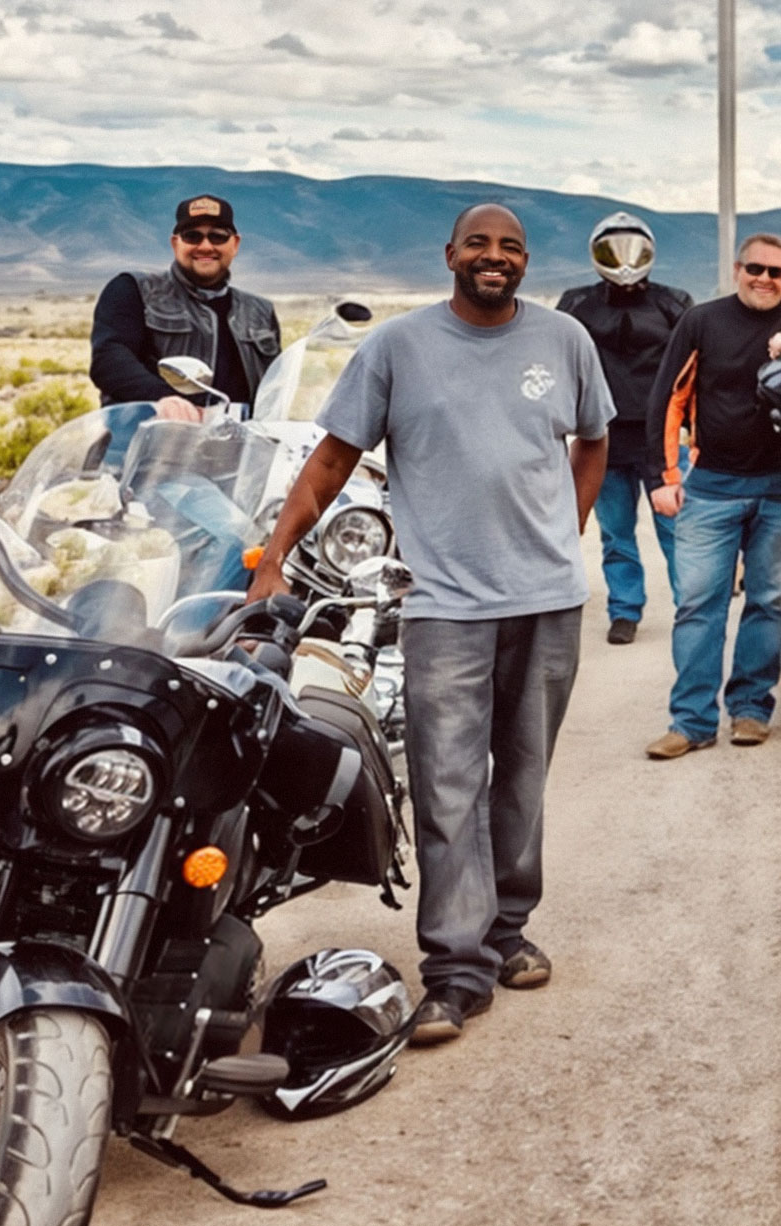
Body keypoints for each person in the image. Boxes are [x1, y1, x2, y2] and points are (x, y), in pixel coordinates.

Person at [247, 203, 614, 1044]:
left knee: (522, 777)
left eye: (510, 246)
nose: (495, 256)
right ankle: (455, 970)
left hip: (547, 601)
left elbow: (594, 441)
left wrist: (569, 532)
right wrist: (274, 555)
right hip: (444, 606)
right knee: (449, 786)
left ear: (526, 262)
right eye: (479, 243)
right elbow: (333, 457)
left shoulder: (564, 341)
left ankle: (507, 931)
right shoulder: (397, 348)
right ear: (450, 254)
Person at [645, 233, 781, 760]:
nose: (765, 279)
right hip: (711, 488)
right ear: (737, 269)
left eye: (776, 273)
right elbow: (668, 397)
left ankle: (750, 709)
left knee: (769, 604)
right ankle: (692, 721)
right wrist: (664, 475)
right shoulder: (702, 321)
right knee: (698, 605)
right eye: (756, 269)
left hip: (778, 490)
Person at [557, 212, 693, 645]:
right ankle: (624, 611)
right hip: (603, 438)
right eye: (612, 251)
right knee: (616, 533)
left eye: (633, 250)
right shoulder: (577, 304)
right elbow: (558, 362)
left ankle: (691, 611)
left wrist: (698, 428)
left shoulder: (674, 303)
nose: (625, 261)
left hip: (662, 439)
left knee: (677, 532)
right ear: (596, 255)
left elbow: (696, 366)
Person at [90, 194, 281, 420]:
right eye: (192, 236)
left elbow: (277, 386)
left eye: (218, 236)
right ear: (175, 243)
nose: (205, 246)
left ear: (235, 244)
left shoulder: (260, 311)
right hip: (151, 436)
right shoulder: (135, 290)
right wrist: (165, 399)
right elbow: (109, 360)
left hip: (239, 438)